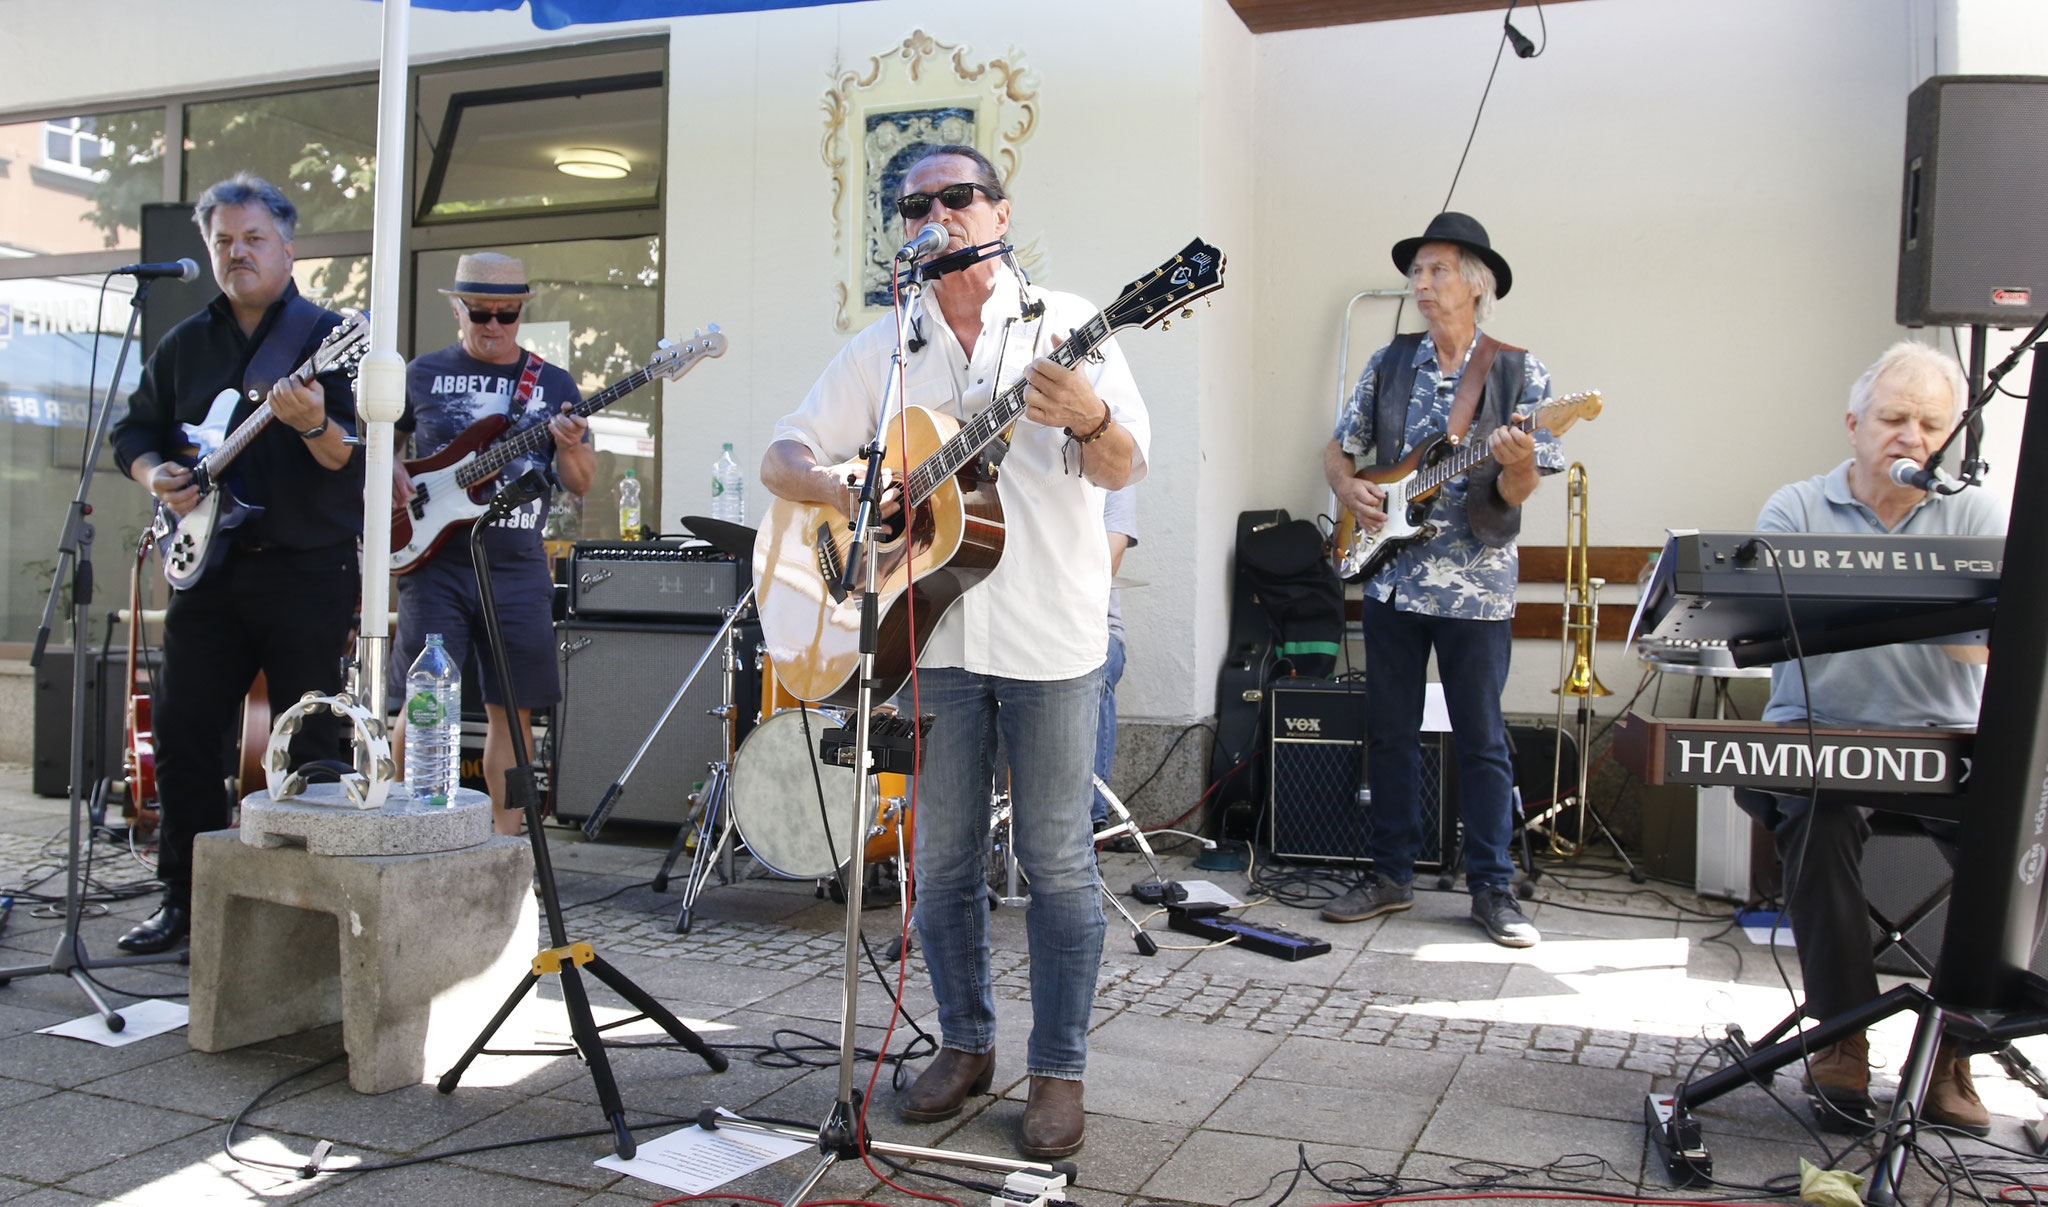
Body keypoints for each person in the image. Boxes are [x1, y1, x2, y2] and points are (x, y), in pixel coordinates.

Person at [760, 144, 1148, 1159]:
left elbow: (1125, 462)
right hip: (930, 629)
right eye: (915, 204)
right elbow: (781, 454)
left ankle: (1057, 1068)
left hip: (1051, 631)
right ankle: (966, 1042)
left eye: (957, 197)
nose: (938, 213)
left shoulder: (1067, 326)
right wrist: (856, 492)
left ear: (999, 210)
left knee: (1056, 859)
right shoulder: (888, 346)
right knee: (937, 864)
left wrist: (1090, 415)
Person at [1735, 341, 2001, 1135]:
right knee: (1817, 817)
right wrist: (1931, 606)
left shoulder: (1980, 514)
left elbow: (1997, 644)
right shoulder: (1795, 508)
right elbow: (1775, 629)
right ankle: (1841, 1034)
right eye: (1893, 418)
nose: (1910, 437)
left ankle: (1955, 1048)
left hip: (1944, 744)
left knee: (2021, 839)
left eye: (1930, 424)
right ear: (1854, 423)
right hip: (1819, 738)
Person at [108, 173, 363, 954]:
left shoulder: (329, 338)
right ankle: (183, 898)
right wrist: (159, 478)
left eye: (253, 239)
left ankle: (315, 903)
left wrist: (315, 420)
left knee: (313, 737)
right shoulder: (185, 343)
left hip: (307, 569)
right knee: (185, 732)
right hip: (210, 572)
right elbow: (135, 432)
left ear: (287, 247)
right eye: (223, 241)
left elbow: (352, 458)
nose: (236, 252)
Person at [1318, 212, 1561, 948]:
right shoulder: (1391, 364)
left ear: (1476, 284)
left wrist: (1517, 457)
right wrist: (1351, 490)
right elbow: (1340, 450)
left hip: (1477, 587)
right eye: (1416, 271)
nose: (1421, 284)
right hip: (1393, 578)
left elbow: (1520, 491)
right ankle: (1390, 873)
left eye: (1437, 271)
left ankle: (1492, 886)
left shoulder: (1521, 373)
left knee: (1482, 738)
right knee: (1389, 733)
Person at [391, 253, 592, 835]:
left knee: (514, 708)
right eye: (481, 313)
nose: (495, 326)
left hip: (515, 562)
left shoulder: (553, 385)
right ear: (457, 307)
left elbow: (580, 482)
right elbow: (378, 454)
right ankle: (412, 832)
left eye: (507, 315)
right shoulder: (419, 375)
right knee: (426, 700)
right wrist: (388, 473)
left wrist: (573, 443)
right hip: (434, 562)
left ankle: (506, 850)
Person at [1092, 485, 1138, 831]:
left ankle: (1090, 821)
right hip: (1017, 627)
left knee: (1094, 669)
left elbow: (1111, 554)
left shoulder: (1113, 469)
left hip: (1097, 628)